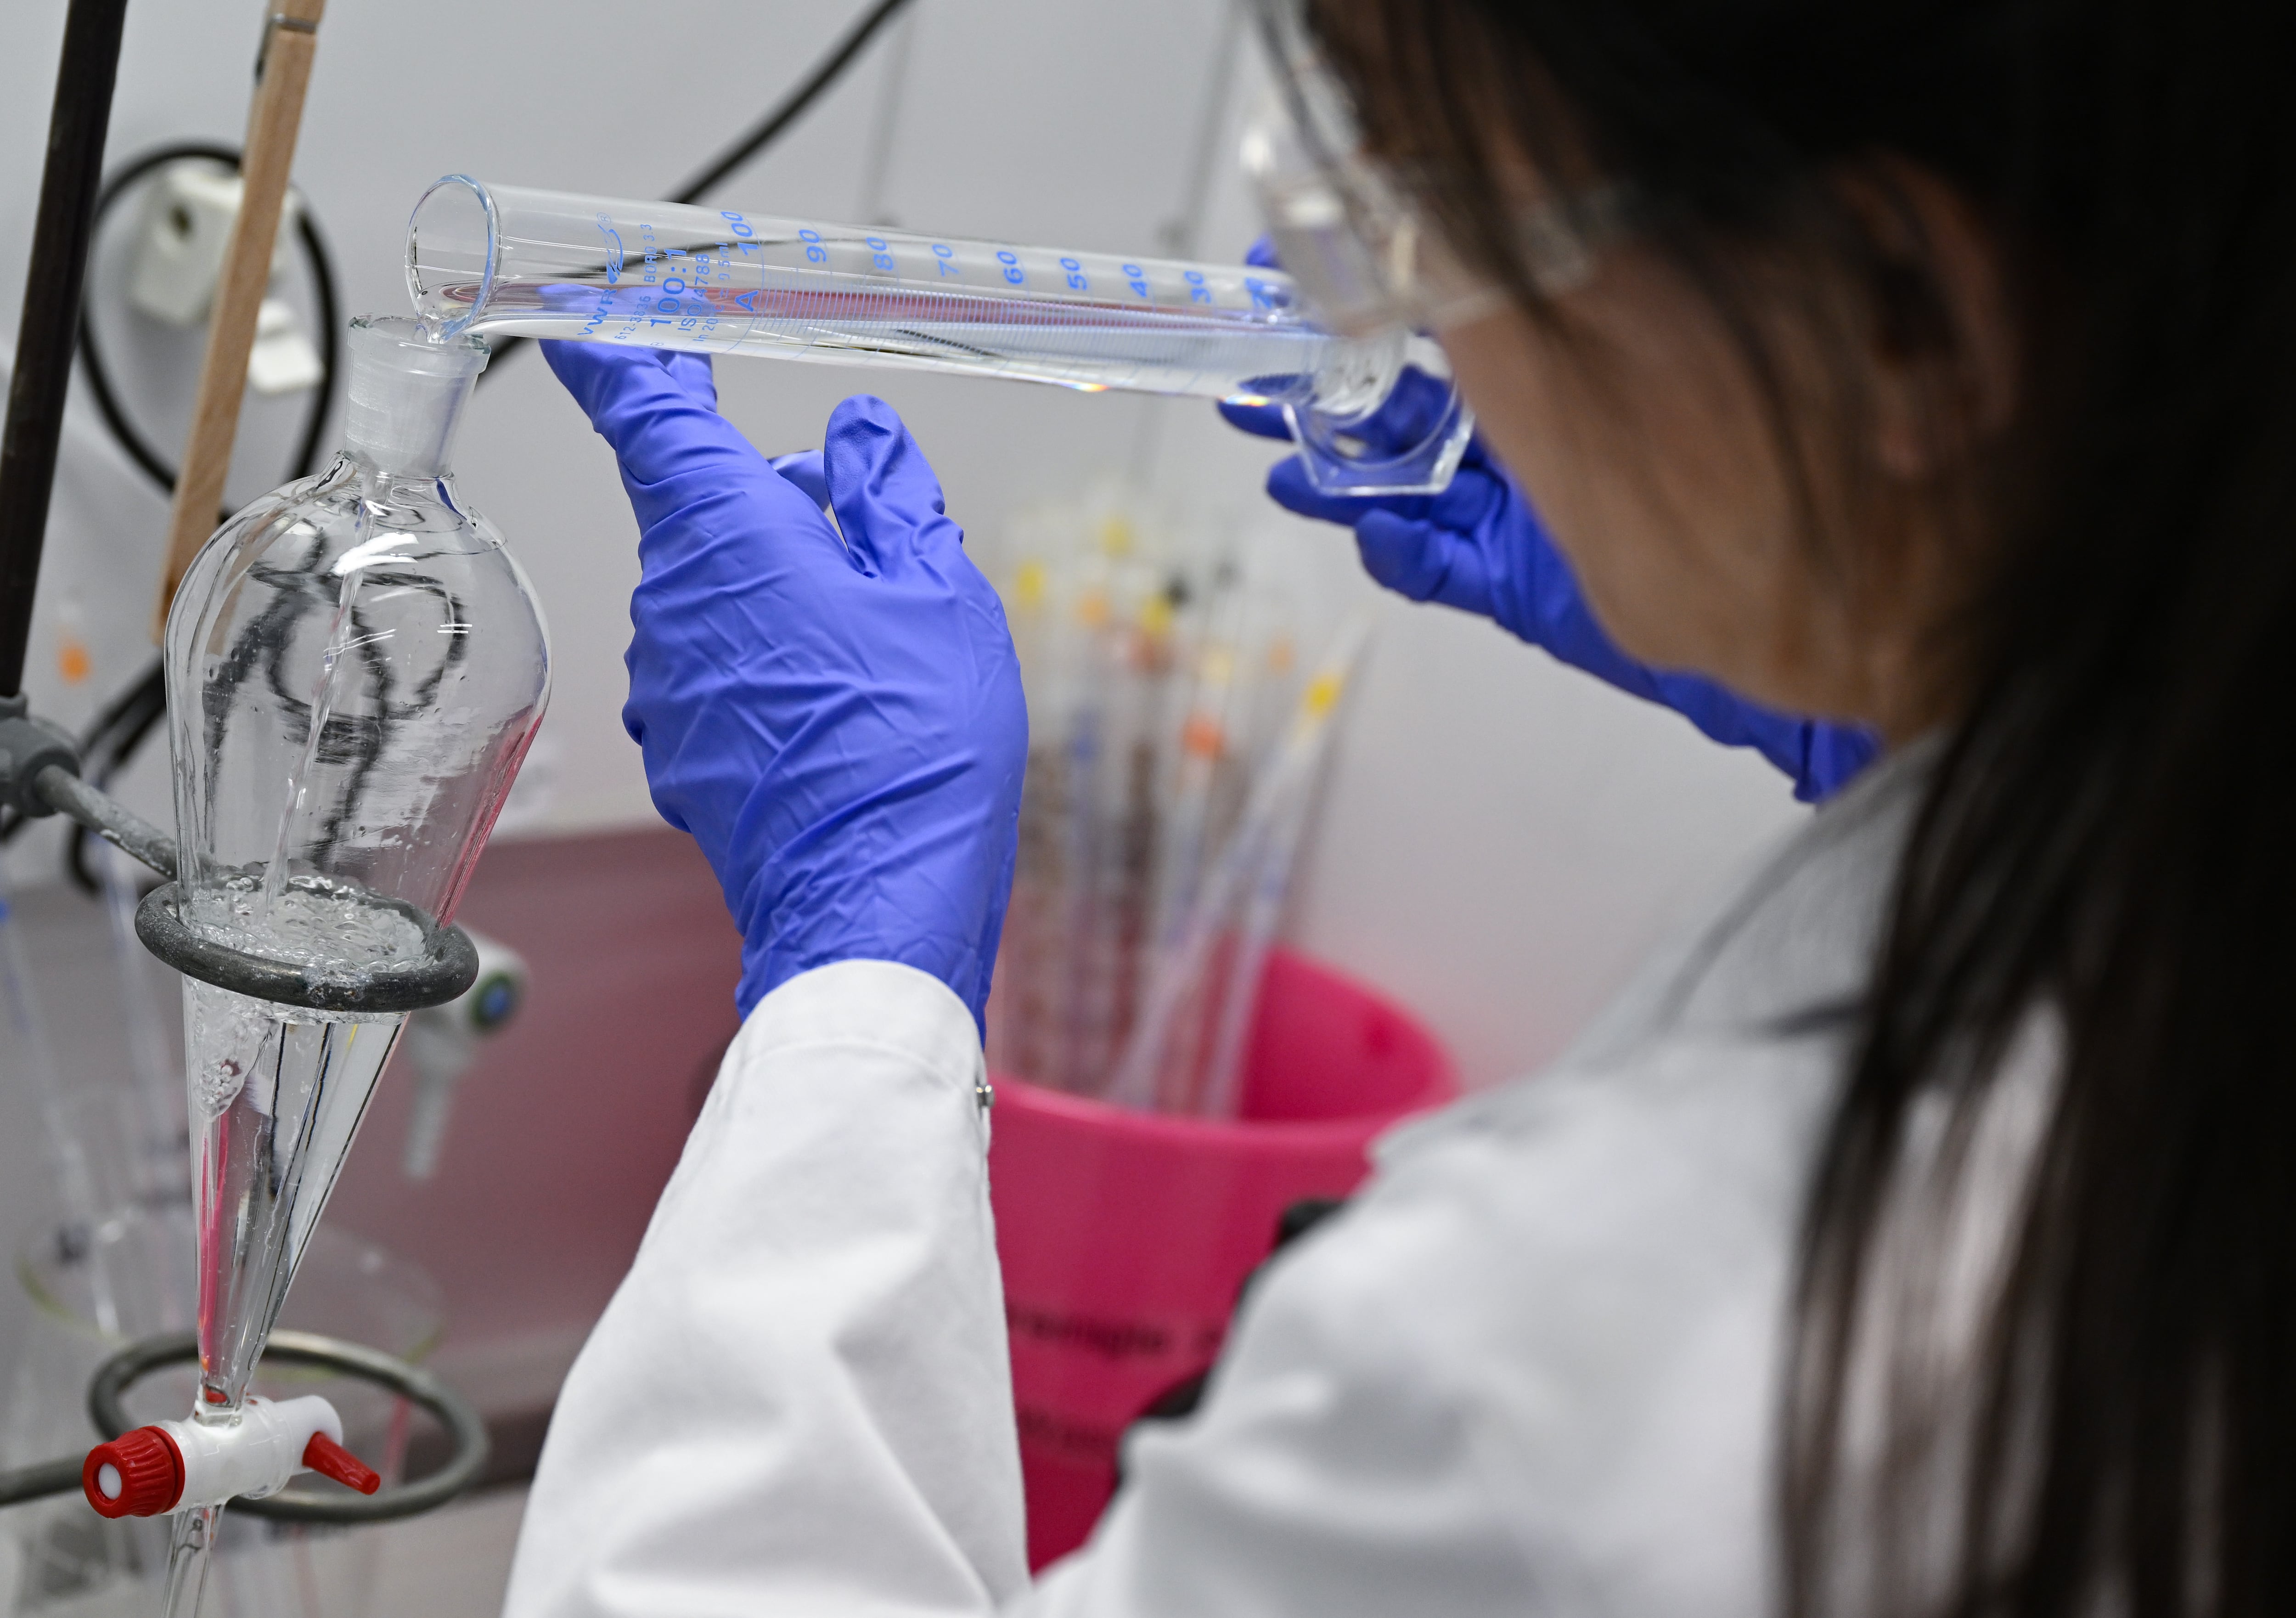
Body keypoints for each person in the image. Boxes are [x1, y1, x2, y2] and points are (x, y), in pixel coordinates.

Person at [505, 2, 2294, 1614]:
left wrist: (851, 954)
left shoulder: (1574, 1368)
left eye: (1448, 212)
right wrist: (1922, 699)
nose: (1394, 305)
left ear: (1899, 322)